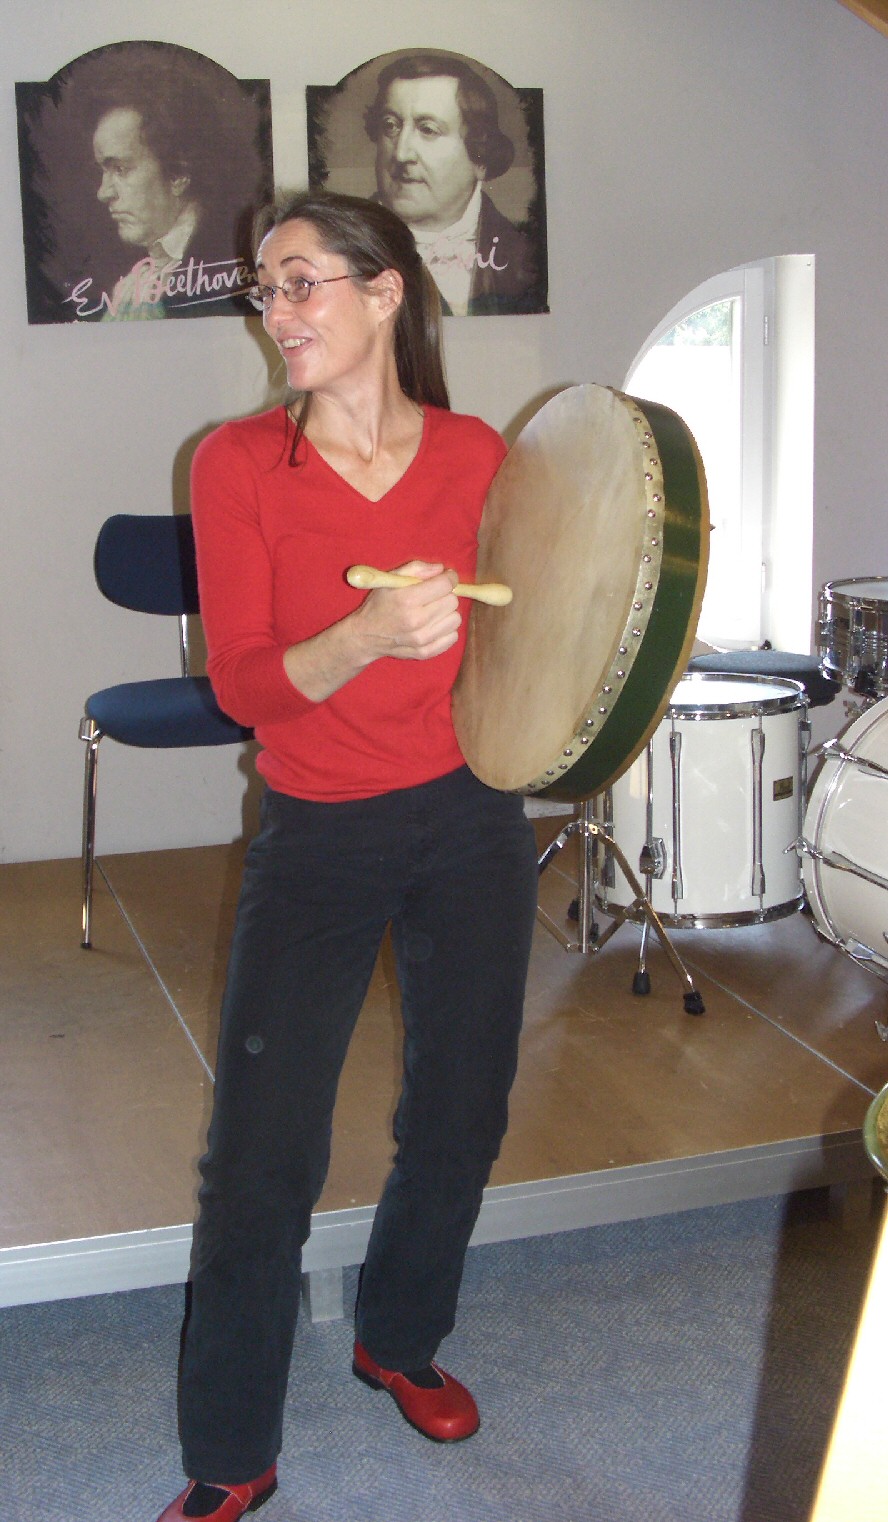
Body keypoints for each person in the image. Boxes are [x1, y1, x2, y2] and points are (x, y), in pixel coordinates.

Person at [154, 189, 538, 1522]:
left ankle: (397, 1334)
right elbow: (247, 686)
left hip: (475, 816)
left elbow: (540, 636)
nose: (279, 310)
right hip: (318, 828)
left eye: (304, 280)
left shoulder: (482, 455)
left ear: (387, 296)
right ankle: (231, 1446)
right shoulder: (237, 463)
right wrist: (370, 635)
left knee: (463, 1105)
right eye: (265, 288)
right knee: (261, 1153)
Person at [79, 46, 264, 319]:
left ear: (178, 174)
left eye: (120, 168)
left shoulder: (232, 260)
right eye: (103, 171)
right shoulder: (136, 275)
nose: (103, 193)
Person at [364, 53, 541, 316]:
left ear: (479, 157)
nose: (401, 154)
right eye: (391, 126)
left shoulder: (526, 258)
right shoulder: (339, 251)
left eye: (428, 130)